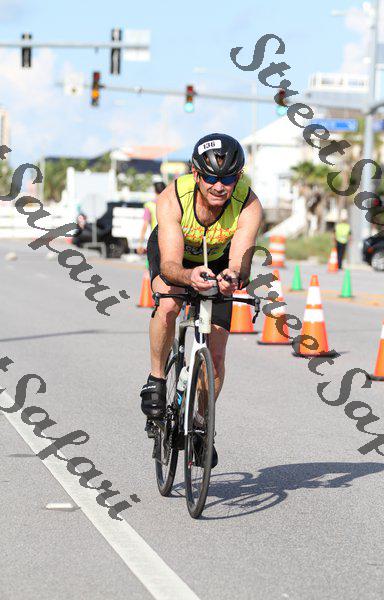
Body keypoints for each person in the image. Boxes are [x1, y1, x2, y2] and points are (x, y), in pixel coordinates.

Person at [139, 133, 263, 467]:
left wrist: (232, 277)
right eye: (210, 177)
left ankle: (201, 424)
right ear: (196, 174)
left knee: (217, 353)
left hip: (219, 261)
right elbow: (169, 265)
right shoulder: (173, 198)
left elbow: (240, 261)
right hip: (175, 256)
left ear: (238, 177)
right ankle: (156, 379)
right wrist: (188, 276)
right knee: (168, 305)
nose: (219, 186)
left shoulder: (248, 205)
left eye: (228, 179)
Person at [137, 181, 166, 255]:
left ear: (155, 191)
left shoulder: (149, 205)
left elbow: (145, 226)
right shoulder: (170, 204)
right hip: (168, 238)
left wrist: (140, 243)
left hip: (155, 239)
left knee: (153, 261)